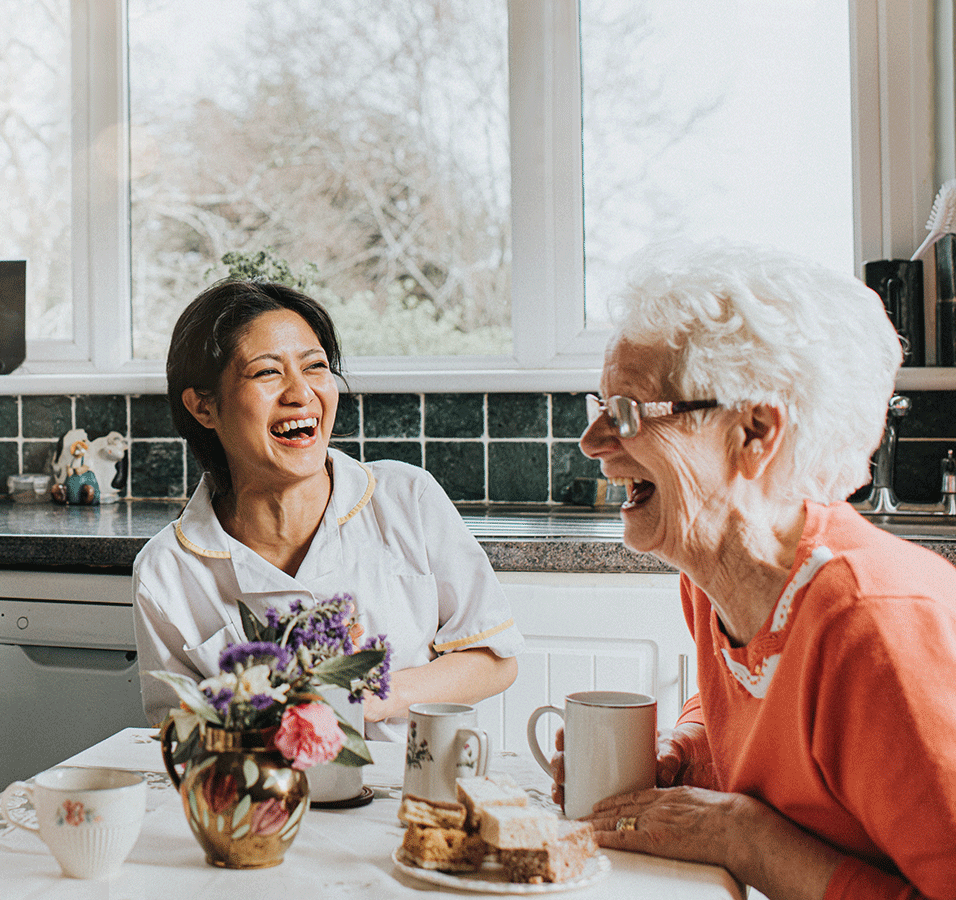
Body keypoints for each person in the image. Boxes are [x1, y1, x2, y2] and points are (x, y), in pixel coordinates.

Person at [567, 241, 956, 899]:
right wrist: (681, 758)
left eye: (627, 411)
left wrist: (741, 838)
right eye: (599, 407)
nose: (592, 441)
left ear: (753, 432)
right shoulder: (714, 580)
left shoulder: (876, 629)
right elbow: (762, 721)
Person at [133, 278, 523, 741]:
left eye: (315, 367)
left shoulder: (406, 499)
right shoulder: (166, 572)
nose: (302, 393)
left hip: (408, 791)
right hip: (267, 800)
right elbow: (179, 731)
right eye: (267, 373)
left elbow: (495, 659)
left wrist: (378, 693)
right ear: (204, 406)